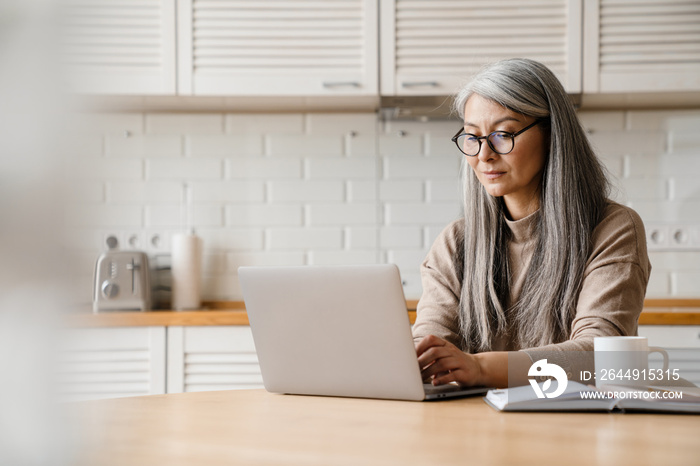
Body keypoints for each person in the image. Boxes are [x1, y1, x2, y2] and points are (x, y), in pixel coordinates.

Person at [412, 58, 651, 389]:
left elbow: (601, 354)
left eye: (503, 134)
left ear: (553, 134)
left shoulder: (612, 228)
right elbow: (429, 341)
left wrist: (480, 368)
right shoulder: (456, 241)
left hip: (577, 427)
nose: (484, 155)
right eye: (472, 137)